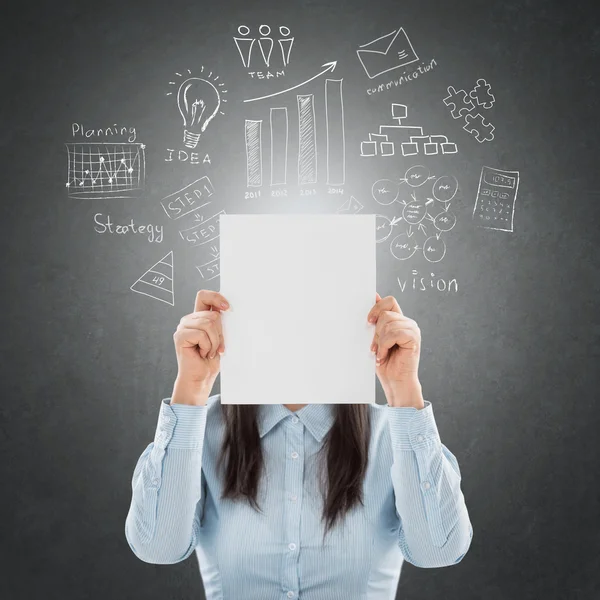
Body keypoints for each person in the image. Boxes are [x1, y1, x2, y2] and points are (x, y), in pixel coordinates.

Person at [125, 289, 473, 599]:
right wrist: (191, 386)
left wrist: (403, 390)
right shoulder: (201, 428)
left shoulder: (392, 432)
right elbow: (158, 547)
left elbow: (438, 551)